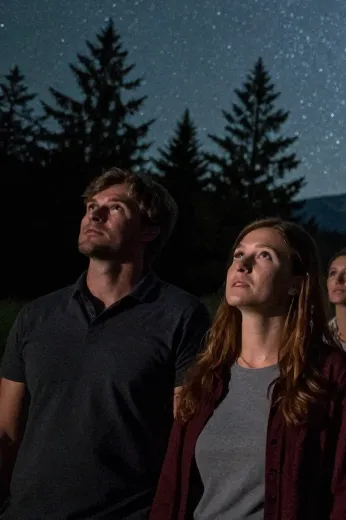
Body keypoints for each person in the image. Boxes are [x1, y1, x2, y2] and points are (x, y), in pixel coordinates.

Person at [0, 168, 211, 519]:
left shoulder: (182, 315)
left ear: (148, 230)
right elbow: (7, 432)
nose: (94, 214)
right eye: (90, 206)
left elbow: (186, 438)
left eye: (115, 208)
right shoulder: (36, 316)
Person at [150, 218, 346, 520]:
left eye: (264, 255)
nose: (243, 264)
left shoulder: (330, 373)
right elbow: (170, 487)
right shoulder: (206, 375)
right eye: (239, 254)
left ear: (296, 283)